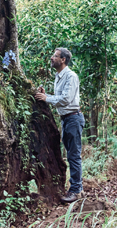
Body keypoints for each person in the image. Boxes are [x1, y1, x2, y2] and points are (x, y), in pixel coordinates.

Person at [35, 47, 85, 203]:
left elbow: (66, 99)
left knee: (74, 156)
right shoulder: (58, 76)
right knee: (70, 155)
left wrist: (47, 98)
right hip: (66, 119)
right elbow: (59, 97)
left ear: (63, 59)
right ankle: (76, 188)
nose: (52, 58)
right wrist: (46, 95)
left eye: (55, 56)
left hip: (73, 119)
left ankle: (76, 190)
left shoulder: (71, 76)